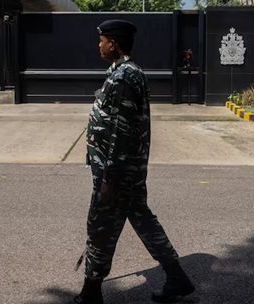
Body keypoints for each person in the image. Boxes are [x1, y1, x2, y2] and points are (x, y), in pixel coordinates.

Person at [68, 20, 194, 304]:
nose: (98, 44)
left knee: (100, 228)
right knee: (143, 221)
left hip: (117, 173)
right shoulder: (122, 73)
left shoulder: (125, 76)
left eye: (101, 40)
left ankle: (91, 292)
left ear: (113, 43)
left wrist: (110, 178)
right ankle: (176, 278)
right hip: (126, 170)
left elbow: (121, 131)